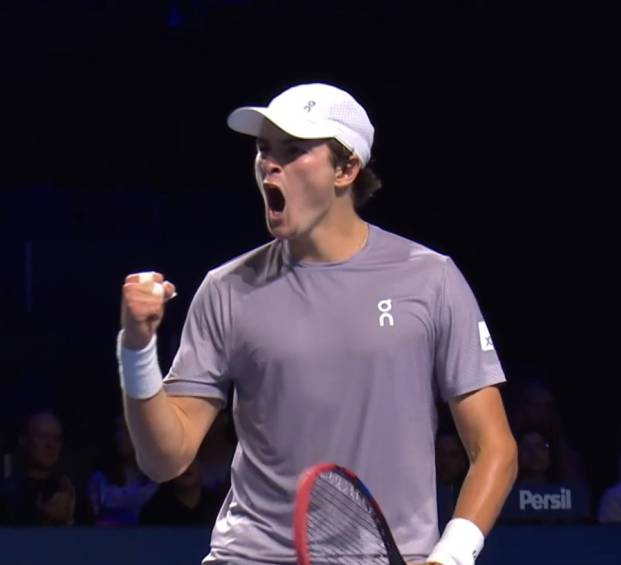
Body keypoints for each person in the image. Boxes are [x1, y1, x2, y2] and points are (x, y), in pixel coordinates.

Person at [117, 83, 517, 565]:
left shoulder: (431, 279)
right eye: (264, 148)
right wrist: (137, 349)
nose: (269, 162)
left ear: (346, 169)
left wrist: (452, 555)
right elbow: (166, 459)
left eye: (293, 150)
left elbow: (494, 448)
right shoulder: (226, 289)